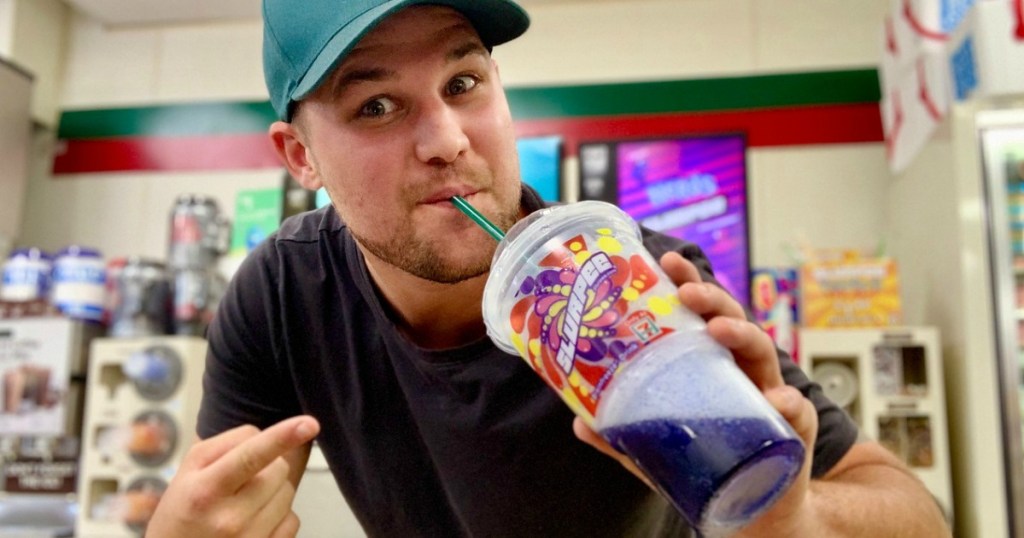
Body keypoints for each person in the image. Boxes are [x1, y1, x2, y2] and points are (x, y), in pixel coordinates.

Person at [146, 1, 952, 536]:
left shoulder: (629, 281)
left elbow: (913, 510)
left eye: (463, 83)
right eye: (377, 107)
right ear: (300, 156)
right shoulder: (284, 294)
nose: (448, 141)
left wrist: (793, 515)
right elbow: (233, 508)